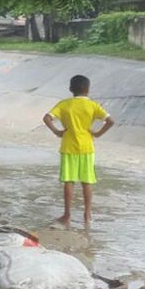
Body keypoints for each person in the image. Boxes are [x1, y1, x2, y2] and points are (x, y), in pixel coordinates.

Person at [42, 74, 115, 227]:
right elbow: (110, 121)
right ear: (88, 89)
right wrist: (97, 133)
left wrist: (57, 132)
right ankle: (87, 215)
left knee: (69, 181)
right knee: (87, 182)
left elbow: (47, 118)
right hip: (87, 147)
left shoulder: (64, 104)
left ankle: (67, 215)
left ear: (70, 89)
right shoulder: (93, 106)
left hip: (68, 147)